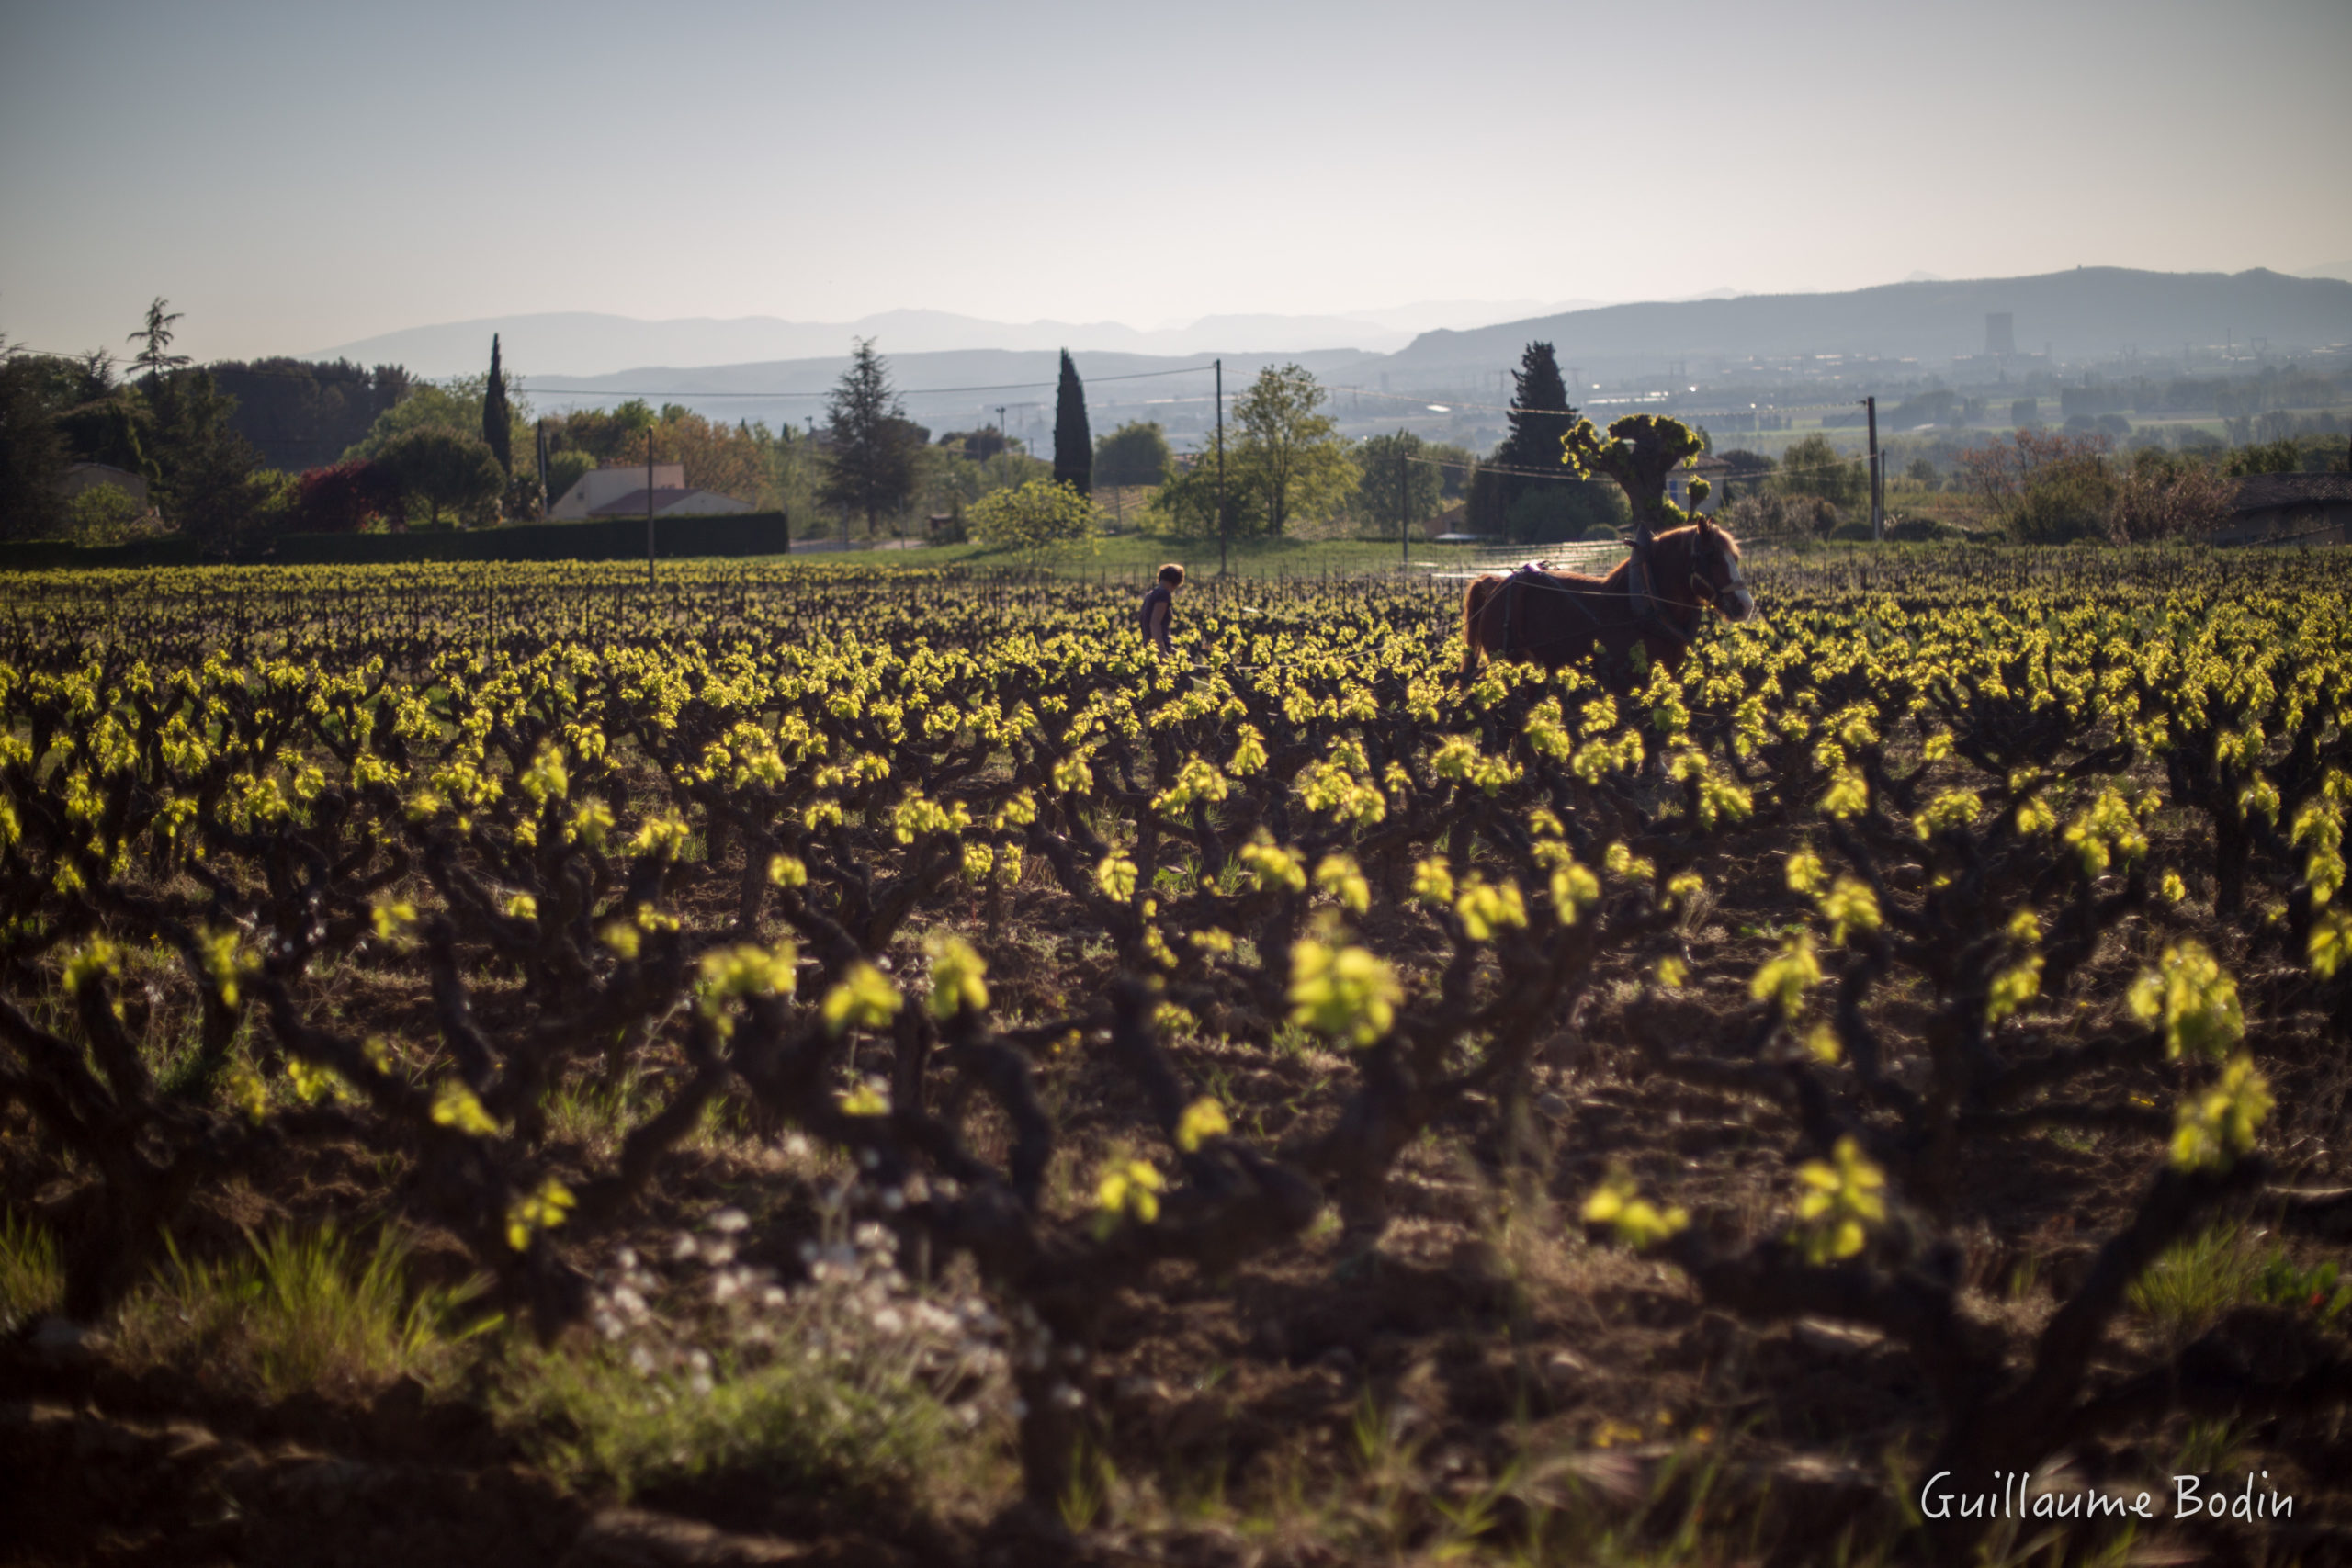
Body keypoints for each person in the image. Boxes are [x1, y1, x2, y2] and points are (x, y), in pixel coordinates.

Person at [1138, 562, 1183, 654]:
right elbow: (1154, 623)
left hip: (1151, 649)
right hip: (1158, 650)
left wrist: (1176, 653)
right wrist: (1162, 652)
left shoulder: (1150, 595)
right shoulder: (1163, 594)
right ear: (1175, 582)